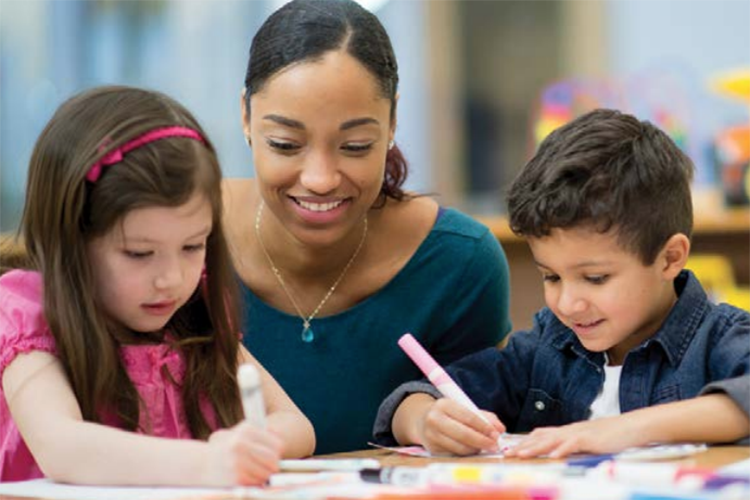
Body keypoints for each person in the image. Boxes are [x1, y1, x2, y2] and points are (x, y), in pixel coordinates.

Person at [373, 108, 750, 458]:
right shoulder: (548, 348)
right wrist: (425, 420)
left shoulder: (720, 339)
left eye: (595, 278)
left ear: (669, 258)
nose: (568, 303)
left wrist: (622, 430)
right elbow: (415, 400)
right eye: (551, 276)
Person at [223, 0, 512, 454]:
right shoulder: (183, 238)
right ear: (245, 116)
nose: (320, 178)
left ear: (393, 121)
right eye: (285, 144)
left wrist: (439, 424)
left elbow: (481, 437)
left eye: (355, 146)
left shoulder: (458, 264)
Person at [0, 86, 315, 485]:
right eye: (138, 253)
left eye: (192, 246)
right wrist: (208, 462)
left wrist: (252, 445)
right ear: (72, 241)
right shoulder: (29, 316)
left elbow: (296, 425)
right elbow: (63, 447)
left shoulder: (192, 312)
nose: (172, 279)